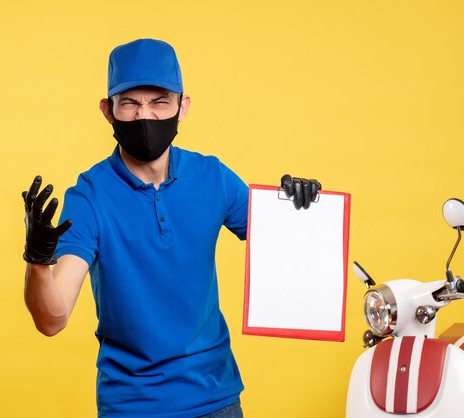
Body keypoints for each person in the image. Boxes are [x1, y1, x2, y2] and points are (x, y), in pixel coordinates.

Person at [22, 38, 321, 418]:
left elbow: (290, 253)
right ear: (107, 111)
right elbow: (52, 319)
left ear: (183, 106)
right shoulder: (89, 196)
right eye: (129, 102)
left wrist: (302, 209)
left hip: (218, 400)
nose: (144, 115)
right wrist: (37, 261)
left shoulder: (213, 177)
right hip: (132, 406)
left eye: (160, 100)